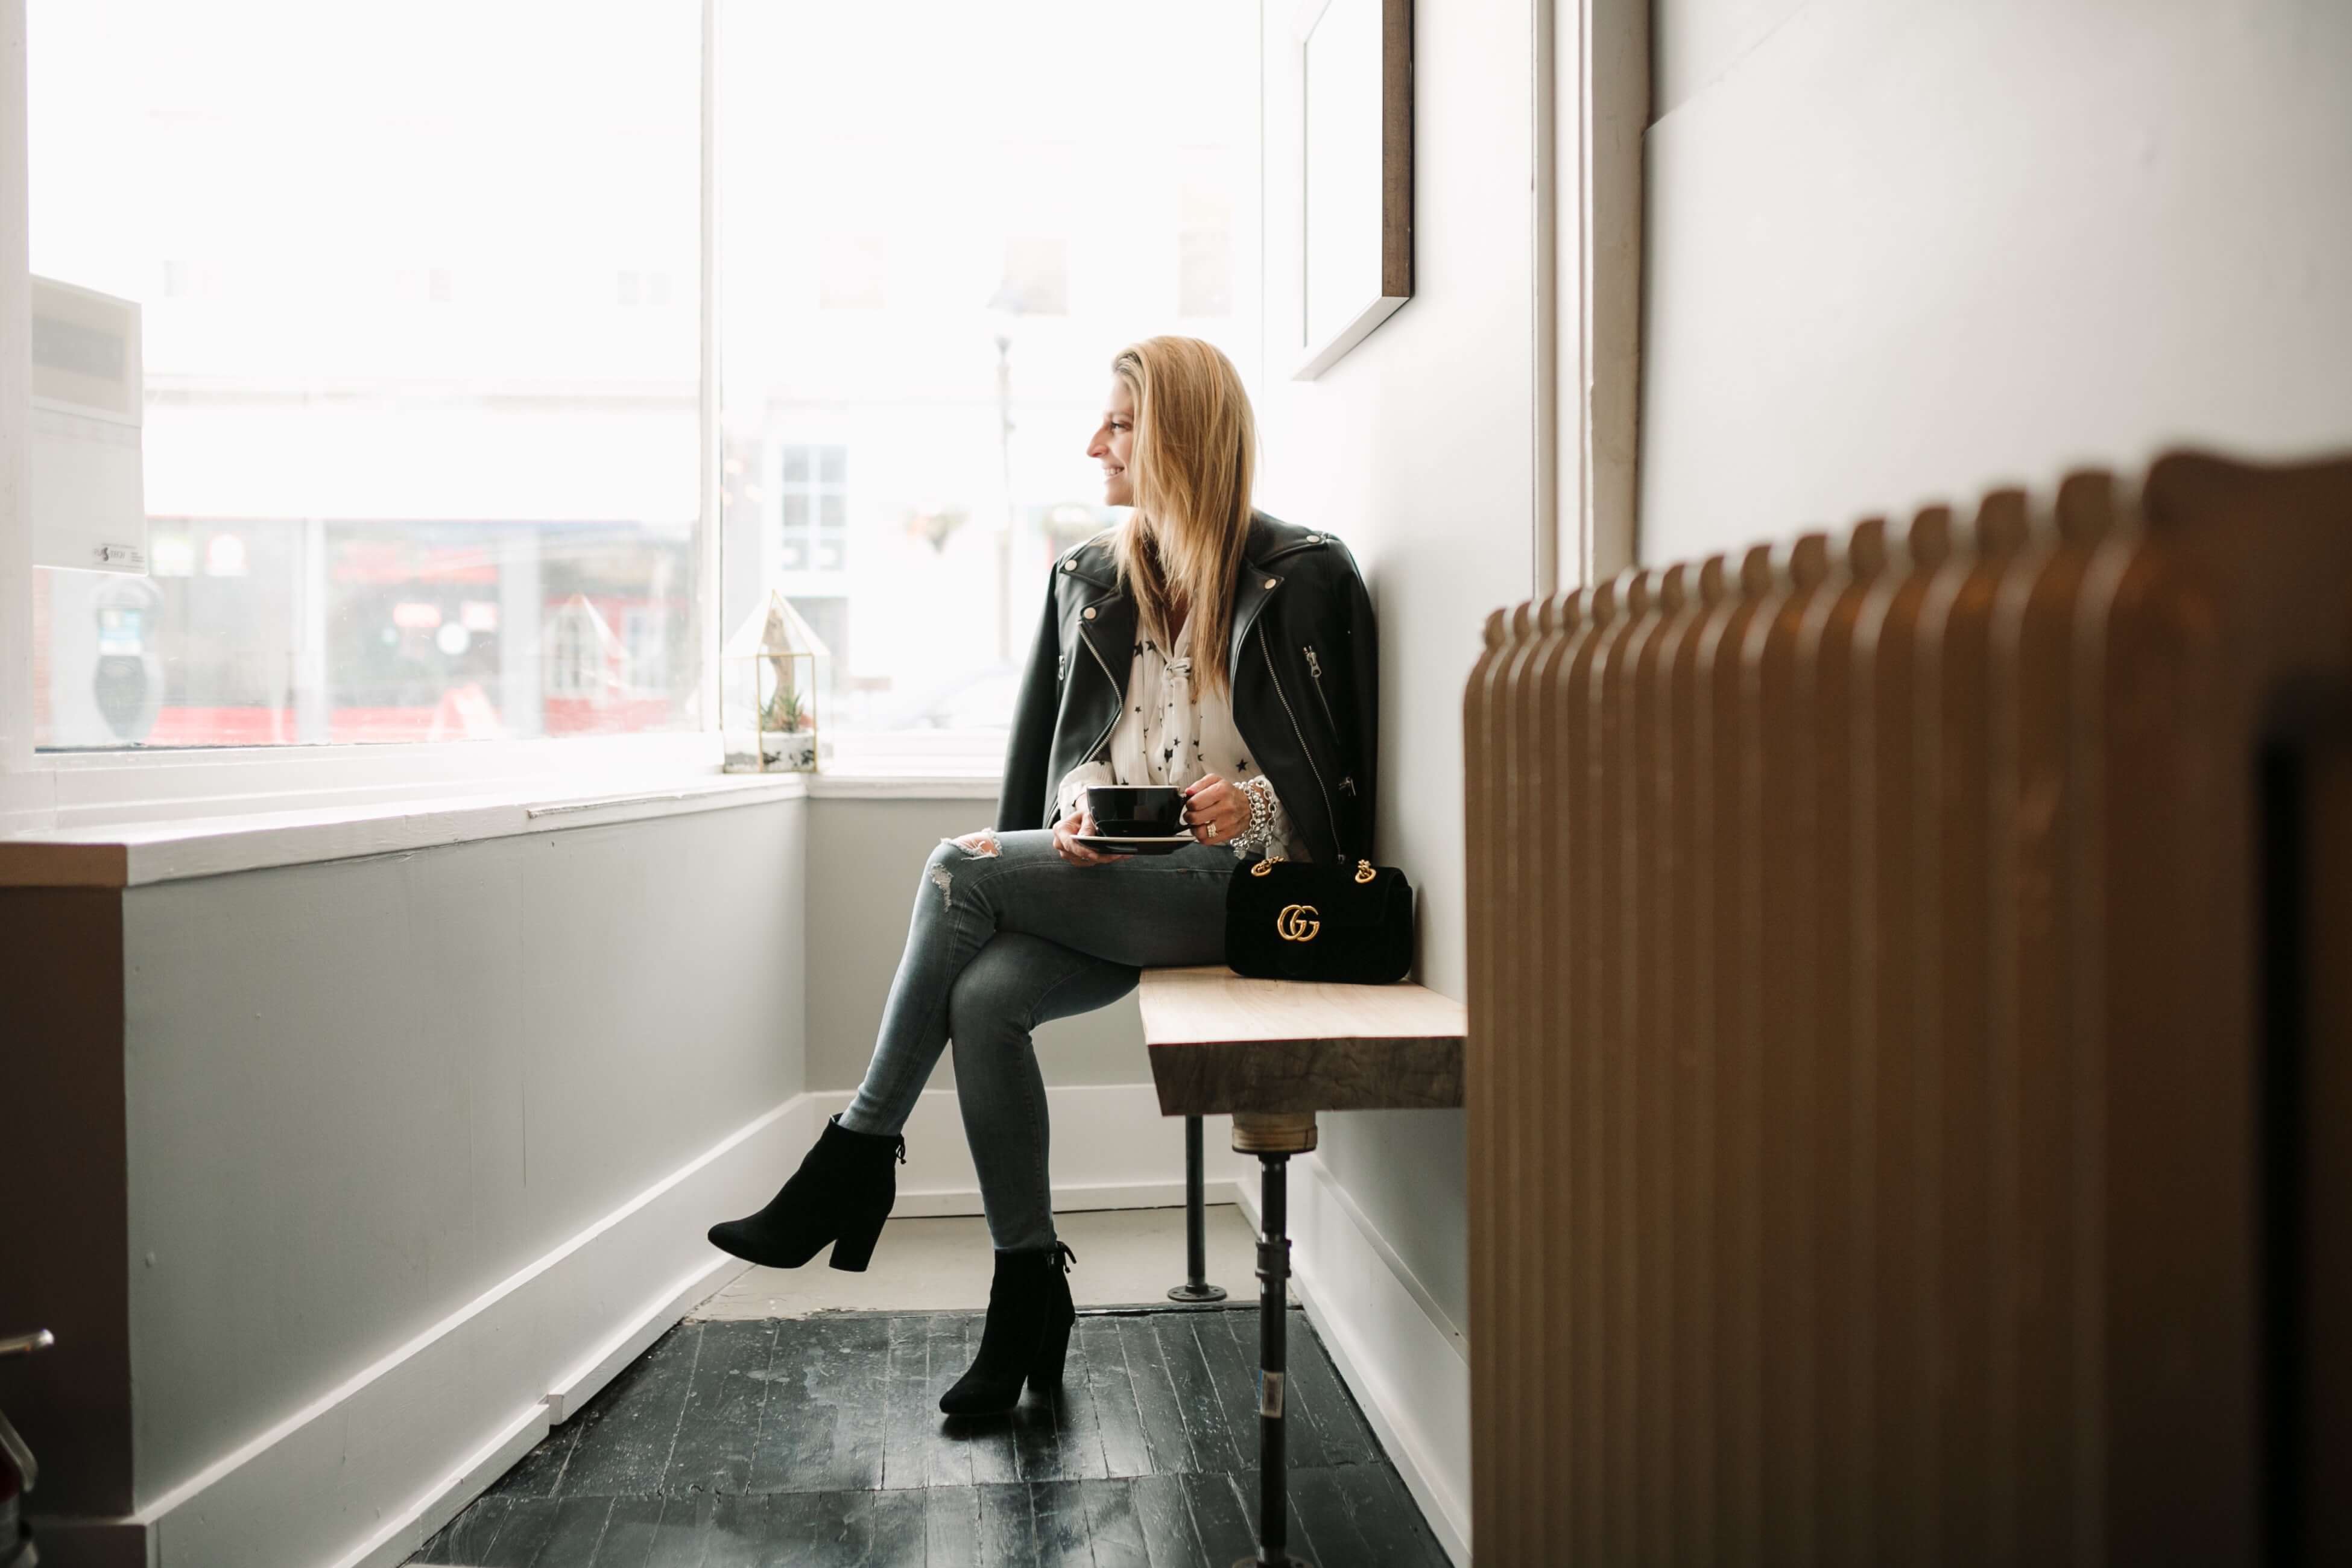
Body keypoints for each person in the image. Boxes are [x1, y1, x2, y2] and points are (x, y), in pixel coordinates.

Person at [706, 335, 1377, 1415]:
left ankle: (855, 1156)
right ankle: (1028, 1294)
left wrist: (1249, 807)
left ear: (1180, 437)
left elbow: (1342, 791)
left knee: (957, 866)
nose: (1095, 444)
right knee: (984, 1000)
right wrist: (1076, 804)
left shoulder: (1301, 576)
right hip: (1125, 883)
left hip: (1247, 895)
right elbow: (1075, 746)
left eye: (1120, 423)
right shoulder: (1093, 579)